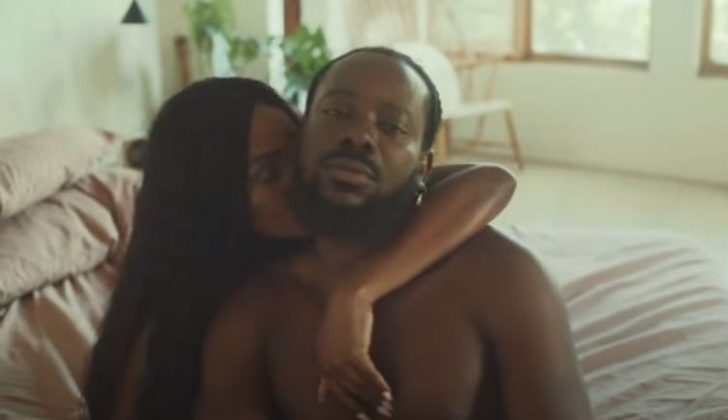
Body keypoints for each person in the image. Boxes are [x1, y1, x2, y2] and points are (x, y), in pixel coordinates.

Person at [83, 76, 517, 419]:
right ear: (213, 202)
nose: (302, 179)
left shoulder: (318, 232)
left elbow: (489, 182)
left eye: (298, 154)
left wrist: (356, 294)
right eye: (268, 173)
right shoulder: (177, 332)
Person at [197, 48, 593, 419]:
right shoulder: (255, 311)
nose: (360, 136)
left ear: (423, 168)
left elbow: (493, 179)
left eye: (393, 127)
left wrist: (354, 294)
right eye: (337, 111)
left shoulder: (503, 279)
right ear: (300, 140)